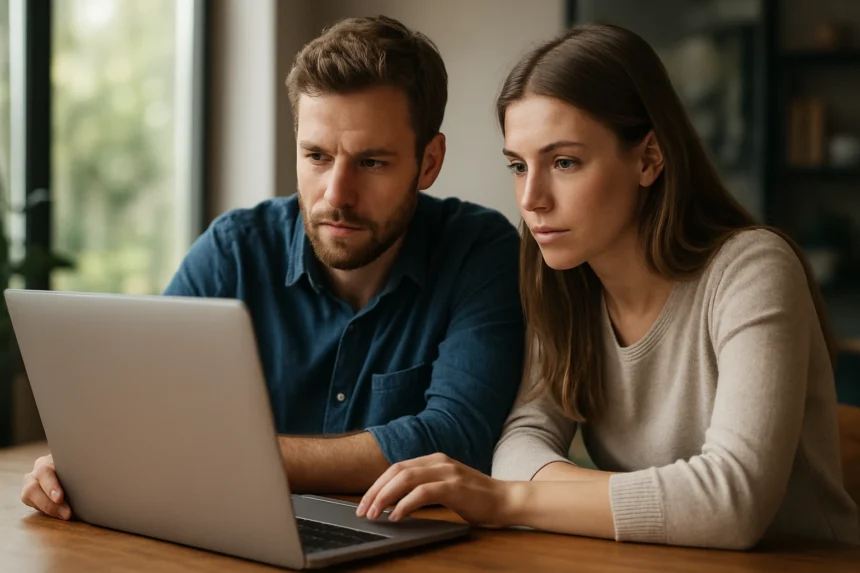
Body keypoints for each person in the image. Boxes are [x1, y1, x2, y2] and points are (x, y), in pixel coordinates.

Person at [356, 23, 860, 549]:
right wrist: (536, 489)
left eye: (564, 162)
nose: (531, 199)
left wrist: (512, 501)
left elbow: (732, 503)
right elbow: (521, 442)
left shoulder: (752, 270)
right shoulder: (564, 282)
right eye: (518, 165)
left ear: (649, 158)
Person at [20, 16, 524, 521]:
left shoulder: (480, 252)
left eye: (371, 162)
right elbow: (141, 409)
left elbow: (455, 438)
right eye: (317, 156)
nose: (337, 195)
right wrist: (85, 463)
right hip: (233, 534)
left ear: (429, 162)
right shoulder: (234, 252)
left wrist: (223, 459)